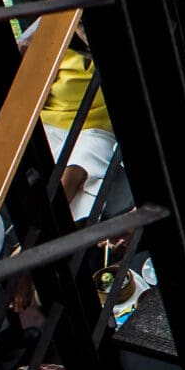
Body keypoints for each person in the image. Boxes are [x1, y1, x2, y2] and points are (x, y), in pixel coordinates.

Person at [33, 20, 115, 220]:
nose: (85, 31)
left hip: (97, 129)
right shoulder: (57, 48)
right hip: (53, 124)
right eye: (80, 25)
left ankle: (48, 230)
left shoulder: (119, 47)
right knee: (40, 174)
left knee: (77, 165)